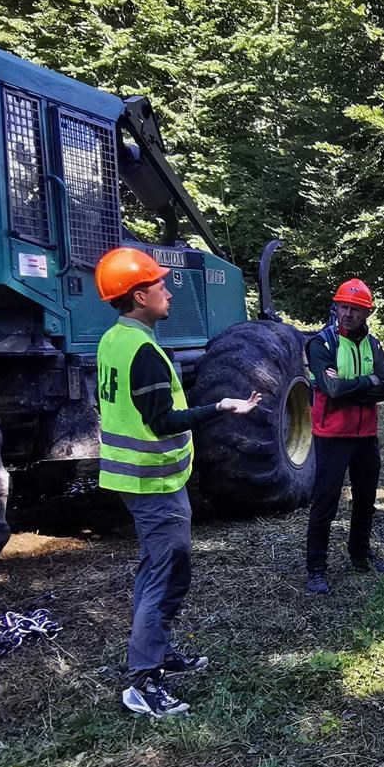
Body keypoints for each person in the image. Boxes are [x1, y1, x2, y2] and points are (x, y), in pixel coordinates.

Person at [94, 246, 264, 717]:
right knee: (163, 576)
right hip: (154, 484)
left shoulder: (114, 339)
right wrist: (221, 407)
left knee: (161, 569)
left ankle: (159, 654)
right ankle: (143, 682)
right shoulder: (143, 351)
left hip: (140, 480)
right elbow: (163, 420)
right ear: (139, 295)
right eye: (160, 285)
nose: (168, 291)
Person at [305, 278, 384, 596]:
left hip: (365, 435)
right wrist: (365, 383)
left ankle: (360, 556)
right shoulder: (321, 344)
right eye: (343, 306)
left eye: (355, 309)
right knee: (325, 503)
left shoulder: (373, 344)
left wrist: (349, 386)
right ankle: (316, 569)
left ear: (366, 313)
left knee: (366, 500)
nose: (348, 314)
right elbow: (329, 389)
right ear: (336, 307)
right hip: (332, 436)